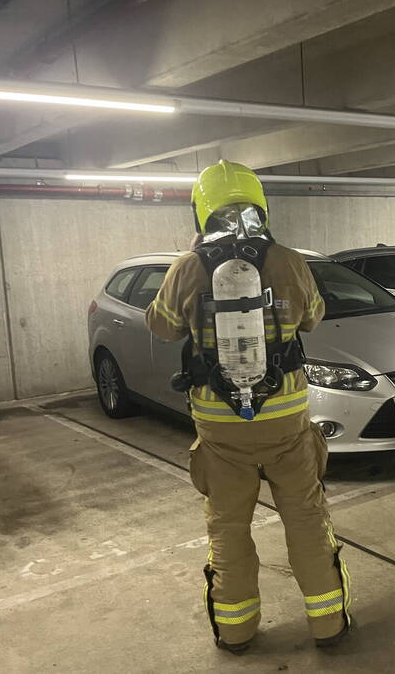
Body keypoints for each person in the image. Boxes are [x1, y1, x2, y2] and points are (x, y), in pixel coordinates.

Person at [145, 161, 350, 652]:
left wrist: (189, 265)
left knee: (228, 525)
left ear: (202, 210)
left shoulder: (188, 266)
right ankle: (327, 624)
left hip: (219, 427)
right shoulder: (288, 260)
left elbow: (162, 326)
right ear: (260, 205)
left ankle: (236, 631)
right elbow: (315, 320)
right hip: (285, 416)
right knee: (304, 517)